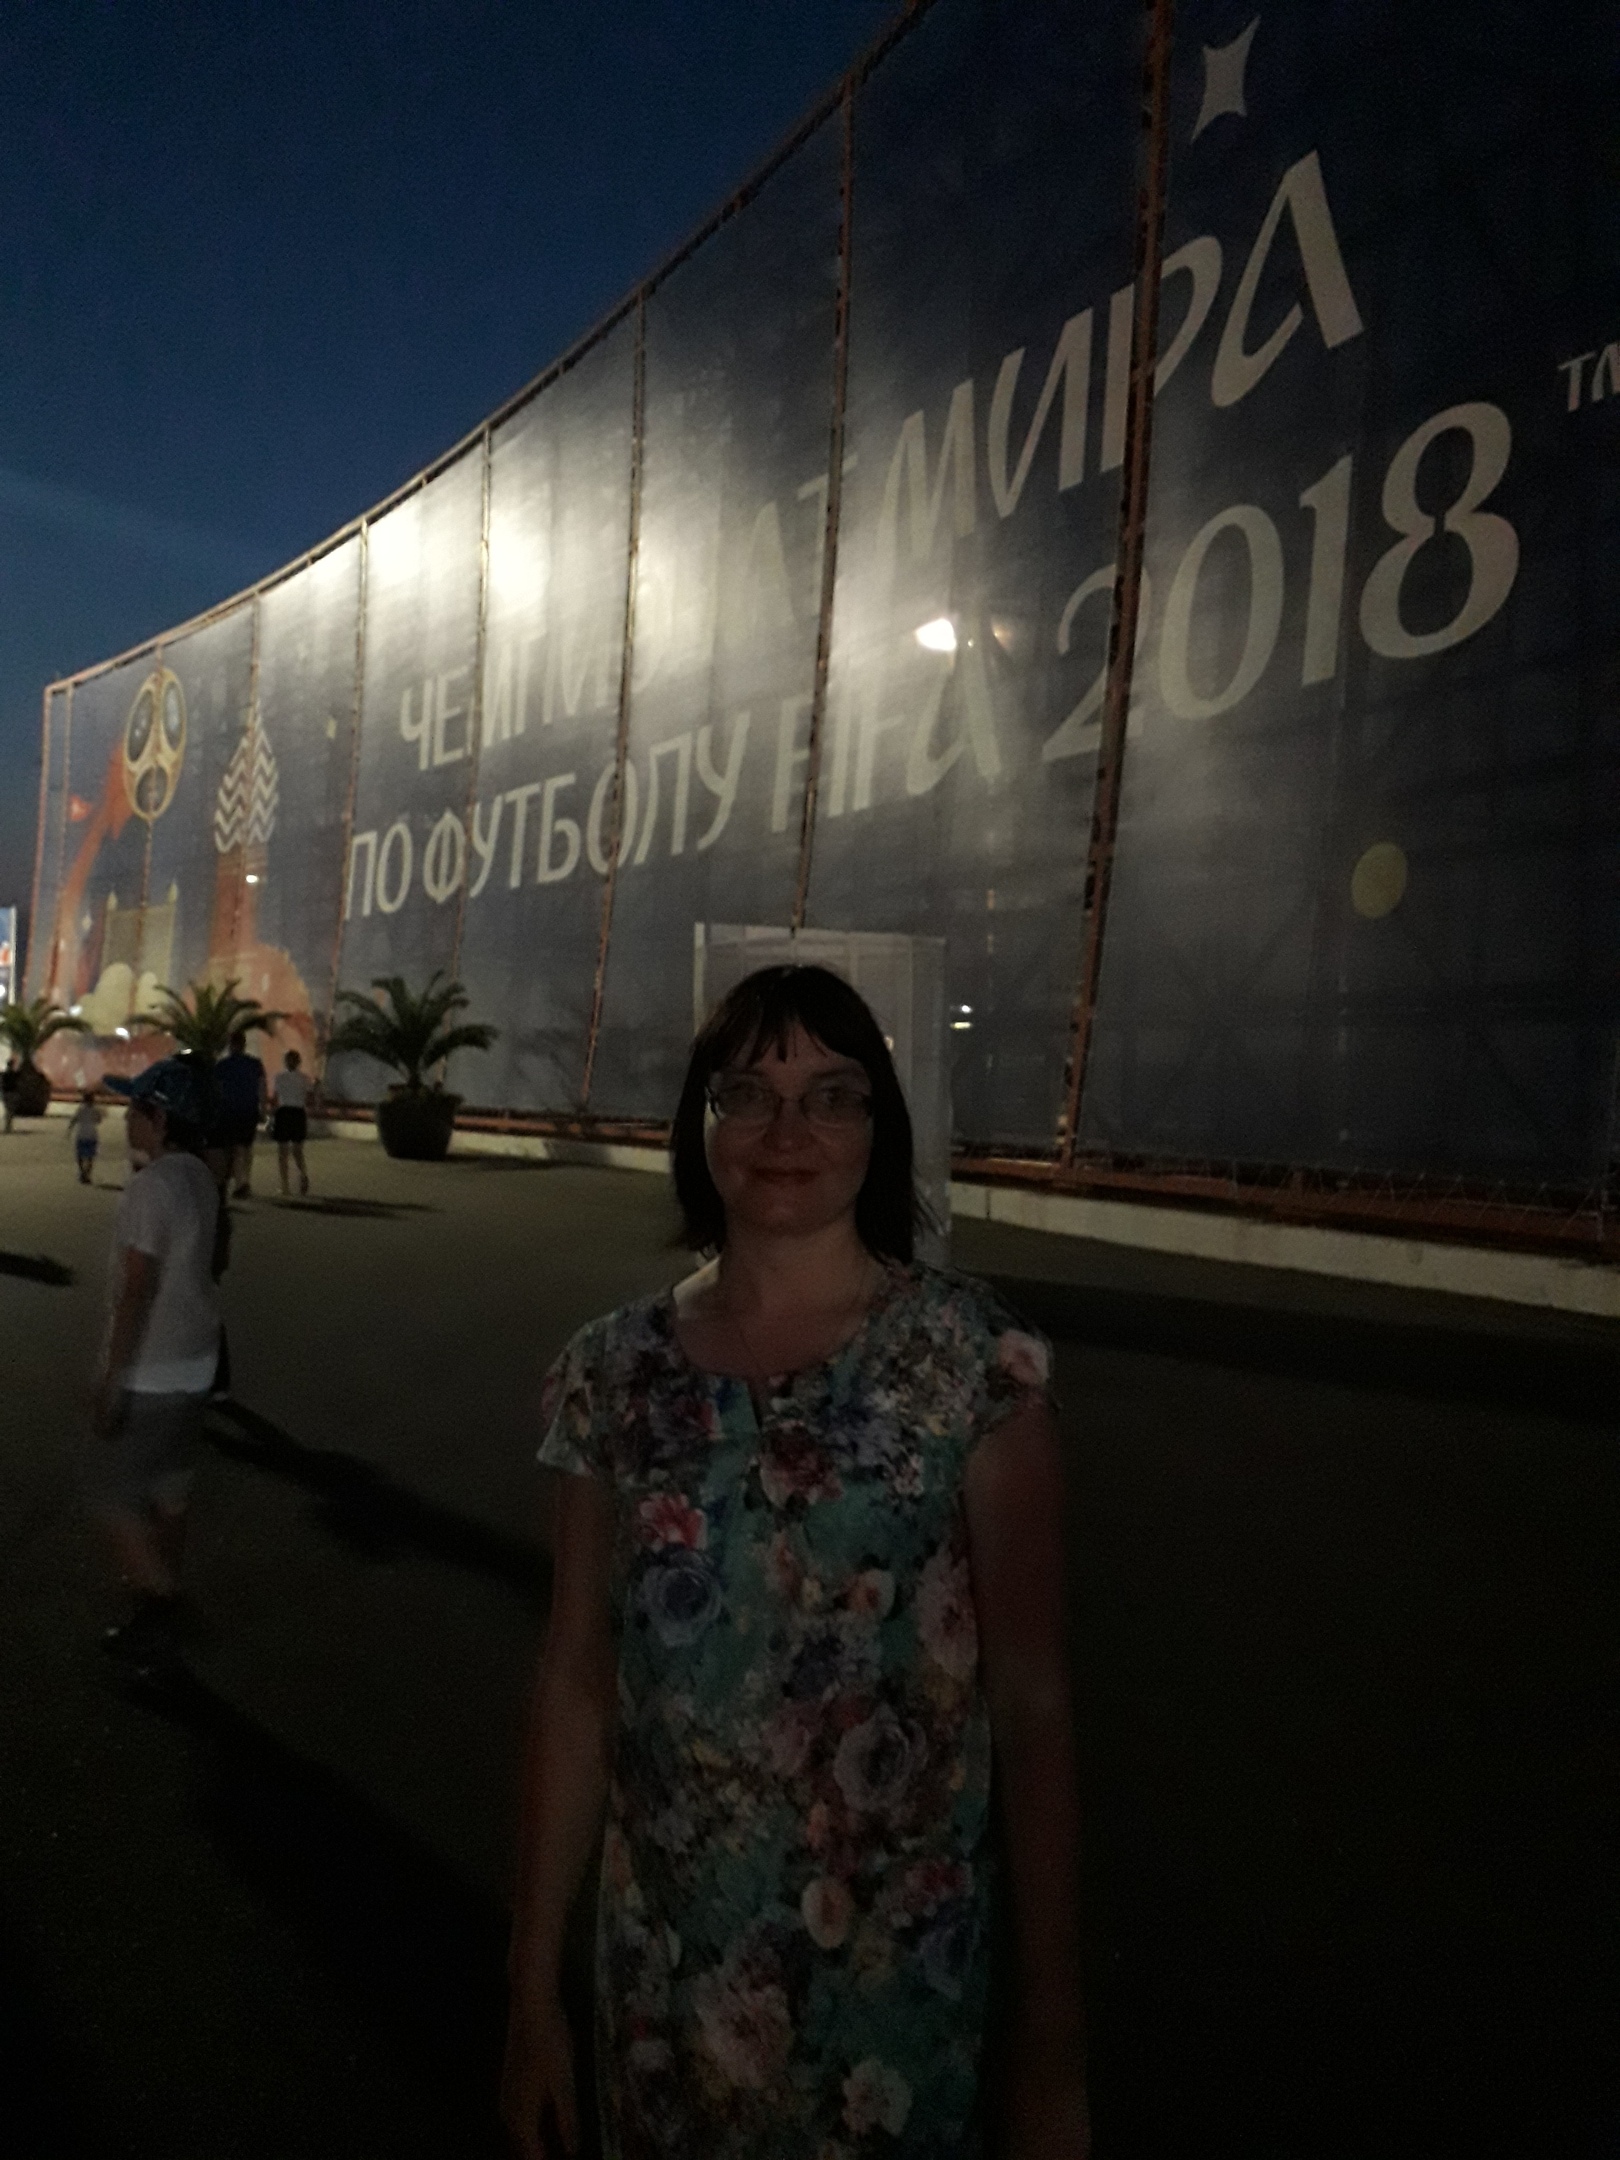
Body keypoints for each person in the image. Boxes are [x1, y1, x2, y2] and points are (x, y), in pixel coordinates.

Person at [502, 966, 1088, 2160]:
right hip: (667, 1985)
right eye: (748, 1094)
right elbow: (575, 1679)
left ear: (880, 1128)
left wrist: (1053, 2039)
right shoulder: (614, 1374)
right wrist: (529, 1992)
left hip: (893, 2002)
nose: (787, 1132)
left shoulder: (971, 1366)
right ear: (699, 1122)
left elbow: (1031, 1701)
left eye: (831, 1095)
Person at [90, 1055, 227, 1673]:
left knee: (113, 1497)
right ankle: (155, 1624)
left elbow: (137, 1287)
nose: (127, 1119)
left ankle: (167, 1605)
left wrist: (111, 1378)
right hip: (197, 1361)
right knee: (171, 1494)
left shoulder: (150, 1188)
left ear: (162, 1118)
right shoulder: (200, 1176)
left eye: (136, 1108)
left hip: (156, 1367)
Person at [212, 1027, 268, 1197]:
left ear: (231, 1045)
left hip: (228, 1110)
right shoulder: (255, 1064)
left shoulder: (222, 1065)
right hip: (249, 1109)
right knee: (246, 1147)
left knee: (232, 1148)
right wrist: (263, 1108)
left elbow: (216, 1090)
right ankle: (244, 1180)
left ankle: (238, 1182)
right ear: (244, 1045)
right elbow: (262, 1087)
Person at [271, 1047, 314, 1197]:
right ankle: (303, 1174)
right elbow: (310, 1097)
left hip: (284, 1112)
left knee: (283, 1152)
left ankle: (285, 1186)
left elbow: (275, 1098)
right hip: (298, 1112)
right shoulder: (304, 1078)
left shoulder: (279, 1077)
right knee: (297, 1150)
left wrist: (271, 1114)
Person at [66, 1086, 103, 1183]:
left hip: (81, 1134)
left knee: (80, 1155)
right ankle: (87, 1174)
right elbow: (99, 1120)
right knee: (90, 1156)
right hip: (92, 1135)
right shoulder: (95, 1110)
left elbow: (74, 1120)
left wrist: (69, 1131)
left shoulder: (80, 1109)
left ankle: (82, 1172)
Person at [1, 1054, 18, 1134]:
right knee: (10, 1111)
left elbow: (1, 1084)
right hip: (11, 1093)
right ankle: (8, 1126)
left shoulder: (4, 1074)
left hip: (6, 1093)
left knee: (8, 1110)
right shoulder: (14, 1074)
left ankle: (8, 1126)